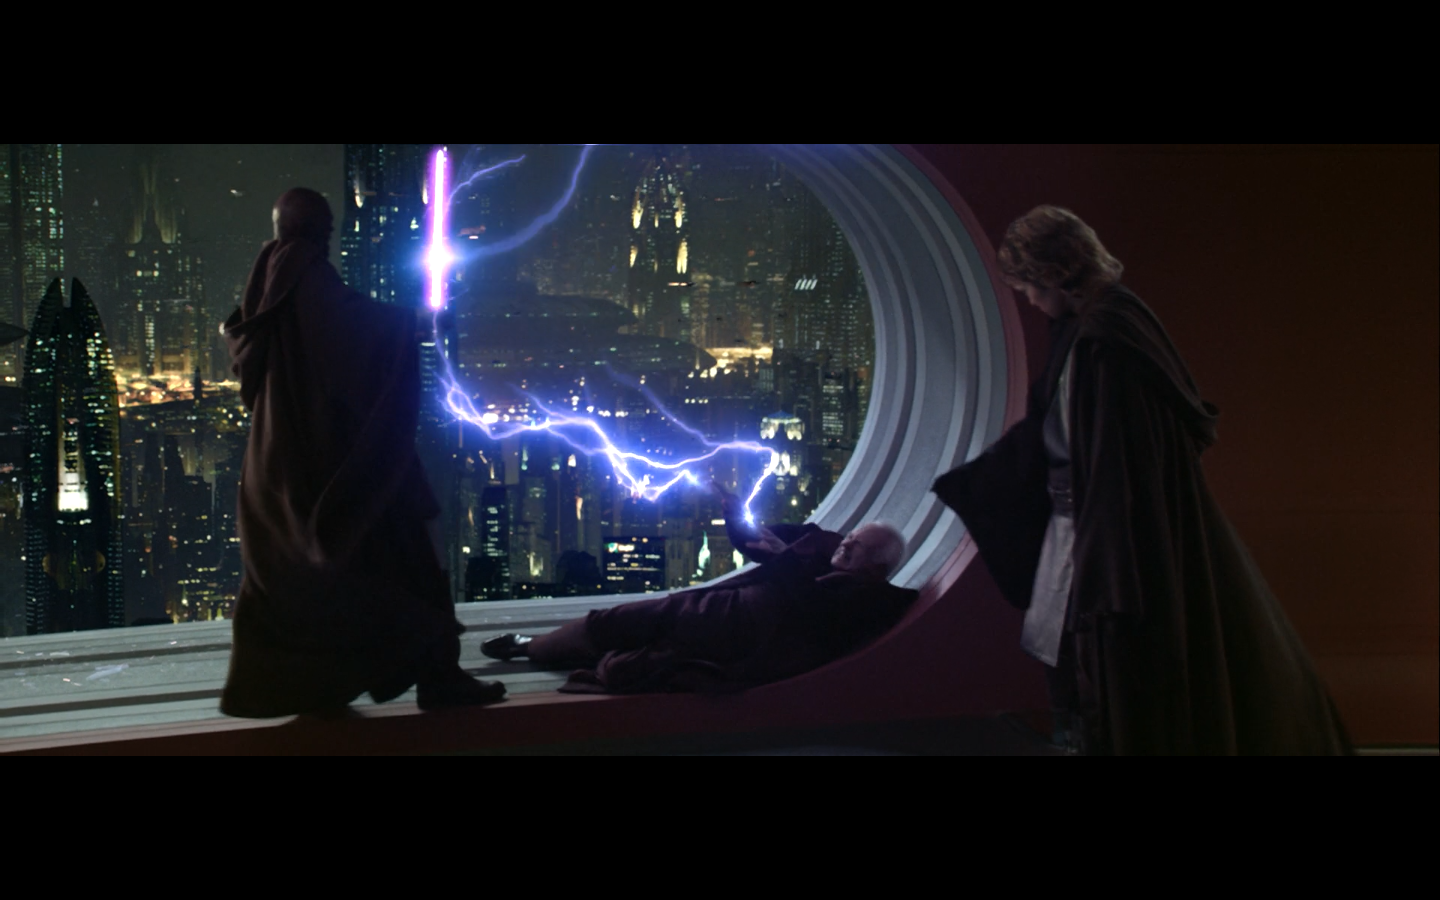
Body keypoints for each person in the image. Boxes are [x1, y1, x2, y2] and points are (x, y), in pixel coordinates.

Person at [933, 205, 1352, 755]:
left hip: (1103, 540)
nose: (1029, 299)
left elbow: (1114, 464)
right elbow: (1059, 432)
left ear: (1054, 272)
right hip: (1088, 534)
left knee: (1104, 673)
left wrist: (1106, 565)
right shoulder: (1095, 329)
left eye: (1030, 285)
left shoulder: (1106, 340)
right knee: (1078, 667)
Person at [218, 188, 505, 717]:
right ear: (309, 231)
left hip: (283, 458)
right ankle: (438, 676)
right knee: (405, 551)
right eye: (325, 230)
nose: (329, 239)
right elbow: (350, 331)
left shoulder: (269, 280)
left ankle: (307, 684)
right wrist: (418, 322)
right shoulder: (305, 275)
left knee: (295, 575)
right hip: (327, 457)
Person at [480, 482, 916, 694]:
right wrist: (735, 513)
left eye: (859, 548)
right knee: (628, 622)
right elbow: (759, 541)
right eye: (852, 536)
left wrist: (784, 557)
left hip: (742, 628)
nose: (847, 544)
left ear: (876, 569)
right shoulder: (822, 544)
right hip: (724, 608)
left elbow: (814, 612)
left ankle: (533, 647)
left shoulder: (865, 597)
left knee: (625, 627)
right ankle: (539, 645)